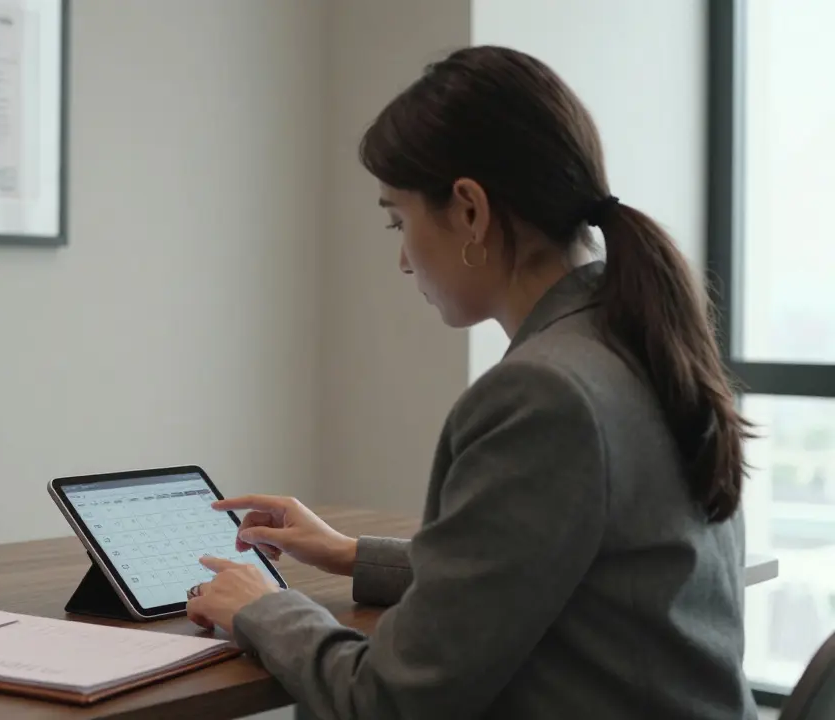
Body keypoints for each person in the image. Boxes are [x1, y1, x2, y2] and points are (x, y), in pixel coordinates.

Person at [184, 45, 758, 720]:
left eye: (400, 221)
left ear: (470, 212)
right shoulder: (638, 342)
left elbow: (390, 700)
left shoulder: (544, 395)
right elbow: (549, 568)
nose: (402, 260)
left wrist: (266, 609)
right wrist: (347, 554)